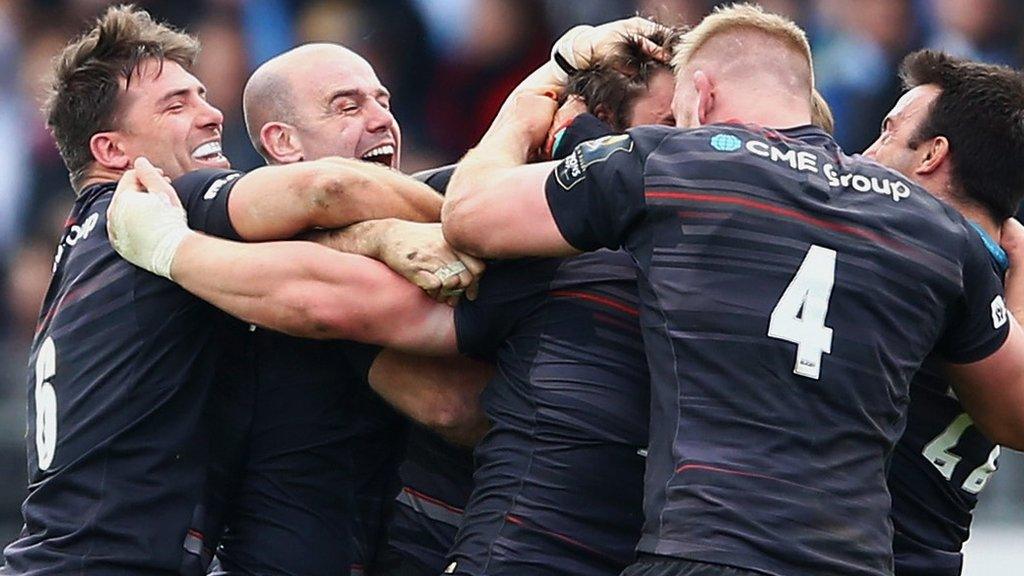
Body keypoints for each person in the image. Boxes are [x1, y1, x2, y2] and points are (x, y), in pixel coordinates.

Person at [439, 4, 1024, 576]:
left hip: (706, 544)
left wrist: (535, 92)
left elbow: (467, 214)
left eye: (888, 131)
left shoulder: (676, 163)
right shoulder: (940, 235)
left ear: (701, 94)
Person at [2, 6, 445, 575]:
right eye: (176, 105)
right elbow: (328, 188)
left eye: (203, 95)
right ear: (113, 151)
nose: (212, 116)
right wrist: (473, 220)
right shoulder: (148, 203)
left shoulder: (85, 252)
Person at [209, 42, 487, 576]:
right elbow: (451, 405)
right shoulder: (237, 244)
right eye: (348, 106)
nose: (382, 119)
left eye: (382, 101)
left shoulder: (428, 200)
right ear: (283, 141)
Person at [861, 50, 1024, 576]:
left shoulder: (899, 256)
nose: (864, 153)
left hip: (847, 552)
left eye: (888, 132)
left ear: (932, 154)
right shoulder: (1002, 275)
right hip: (929, 552)